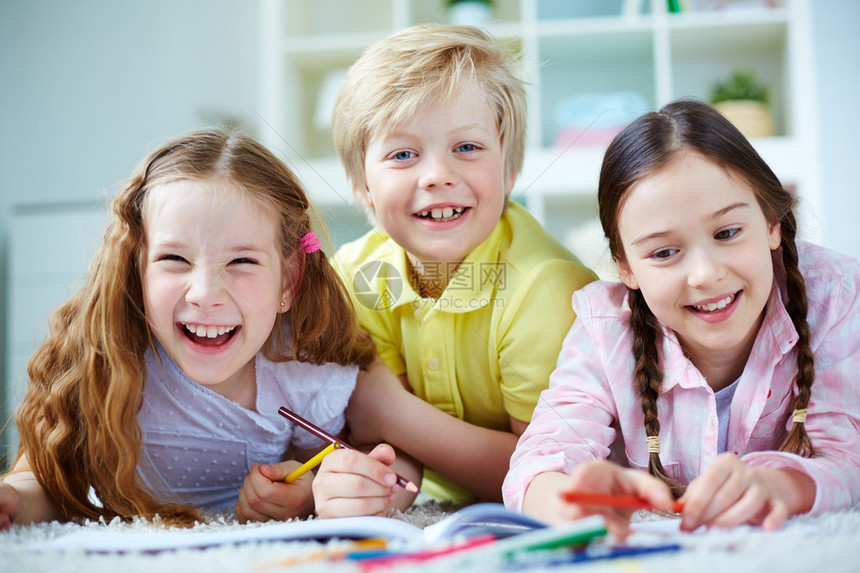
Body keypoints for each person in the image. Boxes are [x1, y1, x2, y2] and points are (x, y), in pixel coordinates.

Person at [503, 99, 860, 539]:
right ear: (626, 266)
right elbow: (540, 458)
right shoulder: (604, 326)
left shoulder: (836, 292)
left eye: (727, 233)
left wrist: (779, 486)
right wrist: (567, 500)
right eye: (664, 252)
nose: (706, 274)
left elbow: (845, 457)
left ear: (772, 222)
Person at [0, 128, 381, 529]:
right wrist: (15, 499)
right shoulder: (101, 353)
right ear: (135, 270)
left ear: (287, 280)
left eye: (242, 262)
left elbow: (349, 463)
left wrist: (310, 489)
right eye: (174, 258)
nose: (205, 294)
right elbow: (42, 481)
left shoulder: (300, 369)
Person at [313, 24, 597, 517]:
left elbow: (544, 473)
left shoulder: (544, 289)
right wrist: (374, 487)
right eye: (402, 154)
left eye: (466, 147)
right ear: (363, 186)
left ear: (509, 169)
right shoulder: (356, 275)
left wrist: (391, 412)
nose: (437, 175)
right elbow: (391, 448)